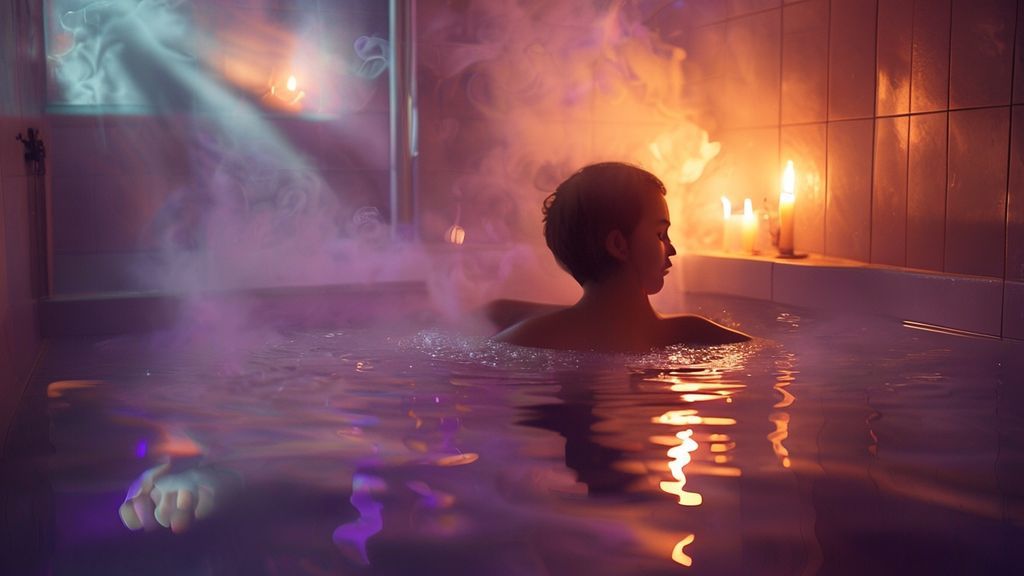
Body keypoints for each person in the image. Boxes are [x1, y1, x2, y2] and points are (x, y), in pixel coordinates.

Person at [491, 162, 750, 352]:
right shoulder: (692, 334)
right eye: (660, 234)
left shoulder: (527, 339)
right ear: (619, 245)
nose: (672, 249)